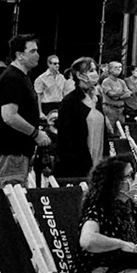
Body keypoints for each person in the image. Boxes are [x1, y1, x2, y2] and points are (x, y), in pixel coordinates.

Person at [0, 35, 44, 187]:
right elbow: (9, 116)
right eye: (32, 51)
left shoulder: (22, 77)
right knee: (14, 195)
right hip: (11, 150)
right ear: (19, 55)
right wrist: (36, 133)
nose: (37, 55)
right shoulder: (12, 78)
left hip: (18, 150)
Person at [52, 57, 105, 186]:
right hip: (78, 165)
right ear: (80, 75)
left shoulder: (96, 99)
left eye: (95, 70)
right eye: (91, 70)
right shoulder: (70, 102)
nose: (95, 74)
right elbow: (66, 138)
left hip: (98, 162)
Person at [34, 54, 73, 122]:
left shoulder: (62, 77)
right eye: (55, 63)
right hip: (47, 106)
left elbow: (64, 93)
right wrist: (40, 112)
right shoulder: (41, 78)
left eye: (58, 63)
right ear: (49, 64)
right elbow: (38, 97)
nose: (57, 65)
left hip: (59, 104)